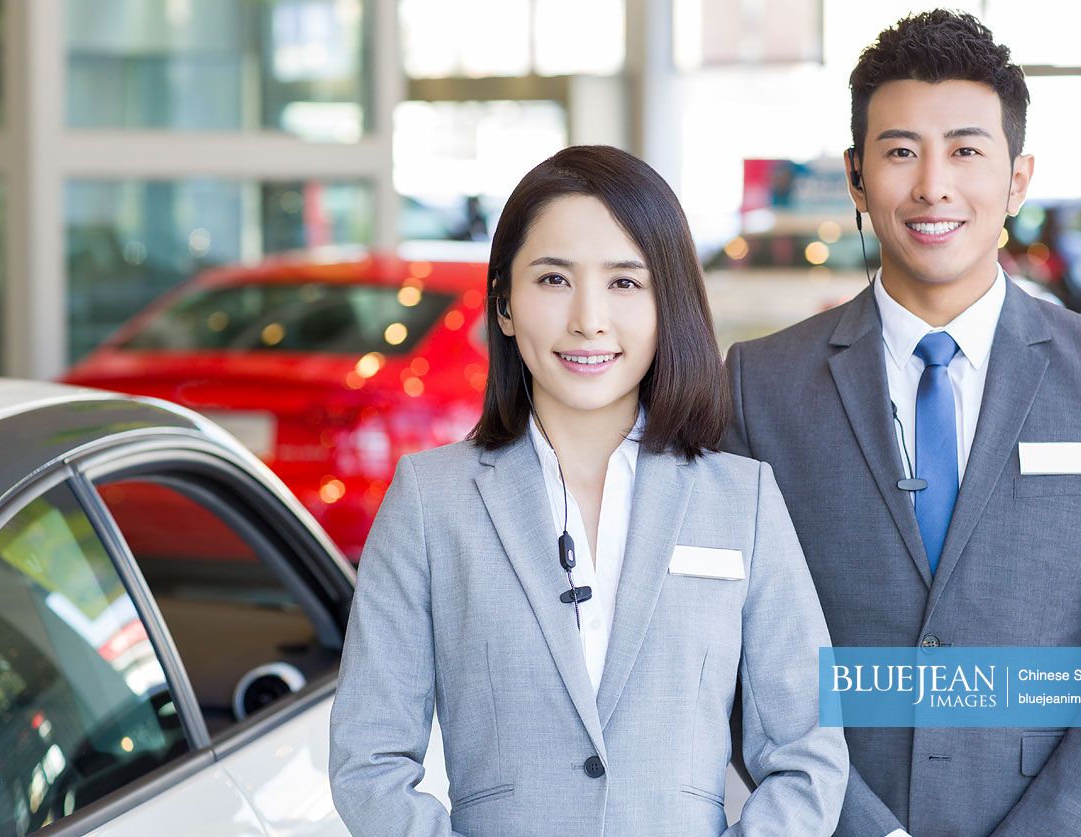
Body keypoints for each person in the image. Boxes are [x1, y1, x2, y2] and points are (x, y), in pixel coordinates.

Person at [722, 10, 1081, 837]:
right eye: (900, 151)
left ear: (1016, 180)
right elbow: (731, 653)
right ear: (856, 177)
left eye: (967, 151)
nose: (932, 185)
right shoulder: (761, 387)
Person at [330, 145, 848, 836]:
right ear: (505, 306)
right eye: (552, 279)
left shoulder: (741, 499)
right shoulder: (432, 501)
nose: (588, 319)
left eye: (625, 283)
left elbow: (807, 752)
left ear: (668, 306)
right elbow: (368, 761)